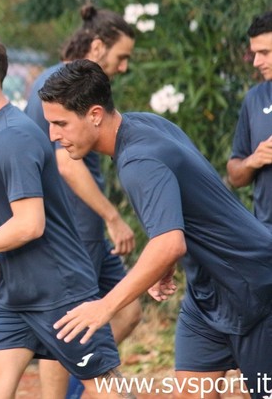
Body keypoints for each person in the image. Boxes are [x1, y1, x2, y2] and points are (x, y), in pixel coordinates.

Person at [40, 59, 272, 399]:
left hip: (254, 287)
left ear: (94, 115)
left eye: (60, 123)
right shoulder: (143, 124)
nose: (53, 135)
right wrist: (165, 264)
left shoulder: (138, 161)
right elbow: (186, 208)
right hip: (207, 292)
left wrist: (105, 306)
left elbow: (169, 243)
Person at [0, 33, 133, 399]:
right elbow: (13, 218)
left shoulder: (12, 137)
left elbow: (30, 223)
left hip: (60, 292)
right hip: (15, 293)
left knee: (108, 389)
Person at [25, 4, 141, 398]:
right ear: (96, 47)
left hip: (86, 230)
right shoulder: (58, 86)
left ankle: (85, 386)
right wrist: (113, 217)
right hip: (73, 228)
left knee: (128, 310)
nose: (123, 67)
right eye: (120, 57)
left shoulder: (72, 85)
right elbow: (66, 166)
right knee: (69, 329)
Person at [227, 10, 272, 233]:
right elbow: (235, 175)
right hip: (266, 234)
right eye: (255, 53)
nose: (256, 62)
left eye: (264, 52)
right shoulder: (255, 98)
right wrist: (253, 160)